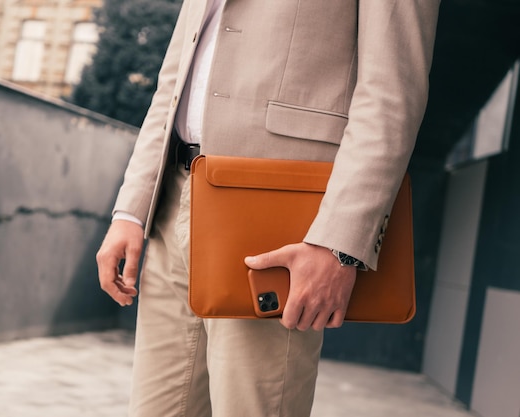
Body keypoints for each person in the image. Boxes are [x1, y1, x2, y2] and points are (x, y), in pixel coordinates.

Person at [96, 1, 440, 416]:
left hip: (277, 226)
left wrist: (338, 244)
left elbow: (392, 95)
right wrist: (130, 212)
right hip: (173, 204)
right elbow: (174, 82)